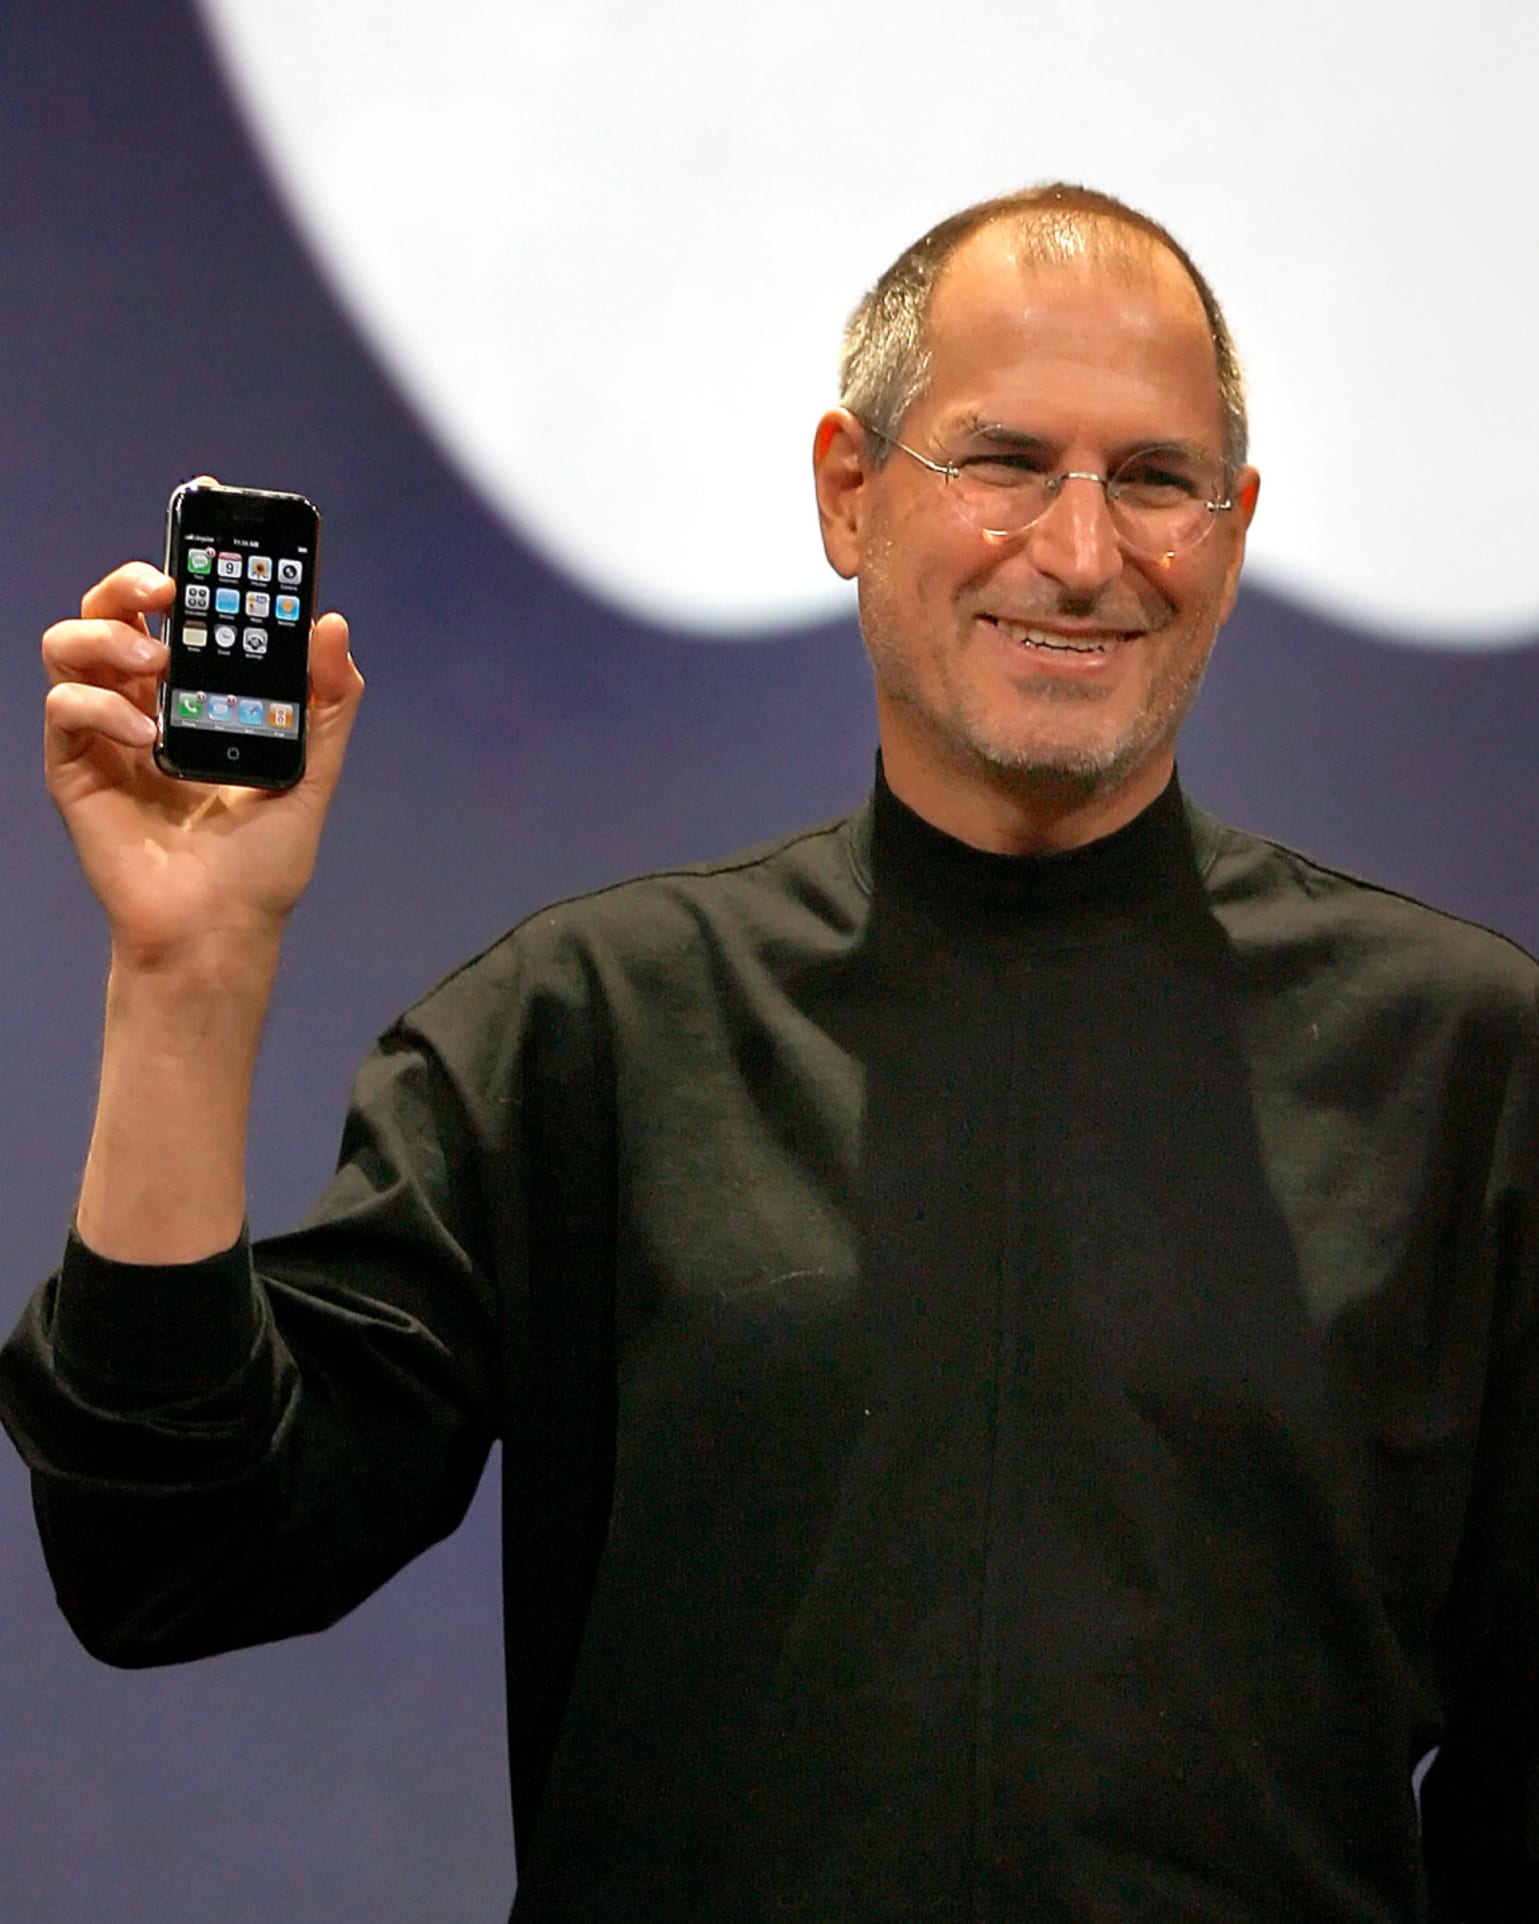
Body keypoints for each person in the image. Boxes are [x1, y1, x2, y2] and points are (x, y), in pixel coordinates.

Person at [2, 182, 1536, 1923]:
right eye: (1005, 460)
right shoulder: (584, 1033)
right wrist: (185, 976)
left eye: (1159, 480)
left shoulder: (1463, 1062)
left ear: (1237, 530)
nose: (1085, 550)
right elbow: (172, 1554)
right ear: (849, 493)